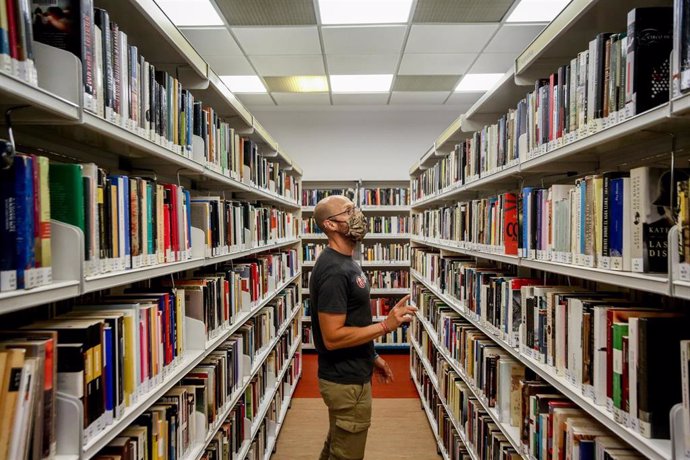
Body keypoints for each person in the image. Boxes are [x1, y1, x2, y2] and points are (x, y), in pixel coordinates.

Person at [309, 194, 416, 460]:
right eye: (348, 211)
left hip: (350, 374)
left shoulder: (347, 262)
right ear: (330, 225)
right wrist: (386, 326)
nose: (358, 215)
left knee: (336, 446)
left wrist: (373, 356)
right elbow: (332, 337)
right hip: (345, 381)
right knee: (347, 454)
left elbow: (355, 320)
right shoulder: (334, 270)